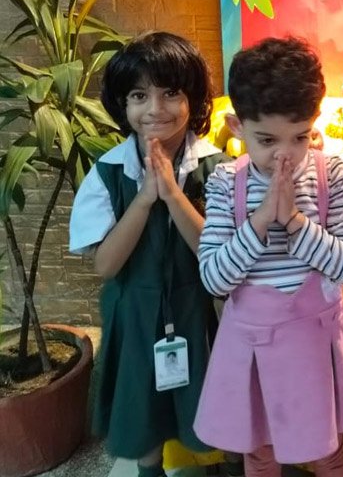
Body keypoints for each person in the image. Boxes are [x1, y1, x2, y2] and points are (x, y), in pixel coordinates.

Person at [193, 37, 343, 477]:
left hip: (315, 345)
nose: (285, 155)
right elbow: (214, 279)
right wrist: (259, 221)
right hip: (252, 349)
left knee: (328, 452)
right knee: (259, 454)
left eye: (300, 137)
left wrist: (292, 220)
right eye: (267, 140)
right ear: (237, 126)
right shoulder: (224, 184)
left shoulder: (331, 174)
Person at [69, 32, 226, 477]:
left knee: (215, 402)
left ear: (193, 98)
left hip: (200, 311)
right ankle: (149, 469)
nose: (155, 109)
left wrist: (173, 195)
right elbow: (106, 265)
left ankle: (232, 464)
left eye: (170, 92)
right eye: (140, 96)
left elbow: (216, 255)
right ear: (123, 104)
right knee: (144, 407)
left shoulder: (218, 168)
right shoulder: (108, 172)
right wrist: (143, 199)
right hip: (134, 315)